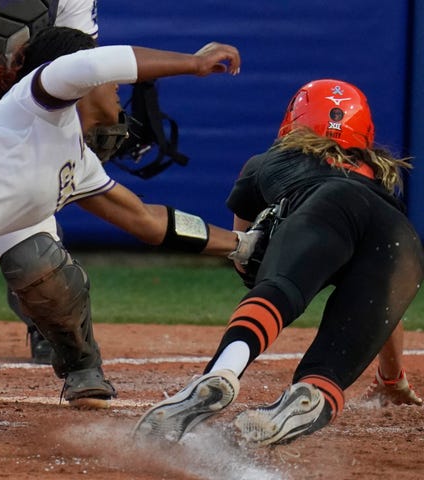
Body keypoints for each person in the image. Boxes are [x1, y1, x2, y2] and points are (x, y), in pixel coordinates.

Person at [0, 26, 263, 408]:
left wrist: (243, 246)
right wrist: (193, 63)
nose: (117, 88)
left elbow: (146, 220)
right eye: (110, 82)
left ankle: (82, 368)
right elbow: (94, 63)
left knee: (41, 264)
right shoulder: (36, 99)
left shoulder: (79, 163)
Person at [133, 78, 424, 446]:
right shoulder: (376, 180)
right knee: (328, 370)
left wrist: (280, 271)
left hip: (328, 206)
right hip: (405, 241)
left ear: (294, 119)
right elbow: (387, 312)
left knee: (276, 294)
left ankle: (222, 372)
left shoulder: (267, 161)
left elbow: (244, 253)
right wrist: (392, 378)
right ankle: (312, 394)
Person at [0, 0, 98, 364]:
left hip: (12, 122)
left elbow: (78, 58)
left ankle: (77, 360)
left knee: (39, 265)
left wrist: (85, 127)